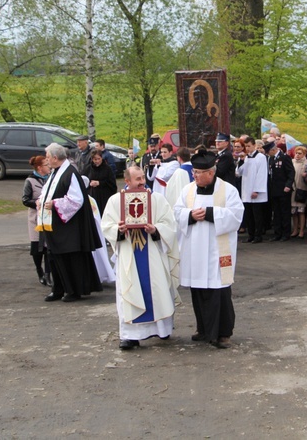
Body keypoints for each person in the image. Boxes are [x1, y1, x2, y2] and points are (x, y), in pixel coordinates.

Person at [101, 166, 180, 350]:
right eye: (137, 179)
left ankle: (162, 329)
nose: (142, 181)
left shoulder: (157, 199)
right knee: (129, 291)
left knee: (157, 289)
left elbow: (169, 223)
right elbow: (107, 225)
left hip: (152, 251)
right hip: (129, 252)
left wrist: (156, 229)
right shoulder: (115, 201)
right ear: (127, 181)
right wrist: (117, 230)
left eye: (143, 177)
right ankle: (130, 336)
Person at [174, 149, 244, 349]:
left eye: (198, 172)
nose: (194, 175)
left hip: (217, 251)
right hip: (195, 249)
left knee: (219, 291)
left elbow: (236, 215)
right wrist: (190, 215)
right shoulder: (187, 190)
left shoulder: (228, 190)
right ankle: (203, 329)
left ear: (211, 172)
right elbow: (176, 212)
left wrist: (210, 213)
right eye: (194, 172)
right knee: (199, 291)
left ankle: (223, 333)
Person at [37, 143, 103, 302]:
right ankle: (58, 288)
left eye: (47, 157)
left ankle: (73, 290)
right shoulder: (55, 173)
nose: (46, 160)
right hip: (54, 224)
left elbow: (76, 199)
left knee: (69, 258)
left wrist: (55, 204)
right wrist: (41, 200)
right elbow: (47, 191)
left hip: (68, 227)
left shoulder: (70, 173)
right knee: (54, 256)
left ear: (54, 157)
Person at [22, 155, 52, 286]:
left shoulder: (52, 178)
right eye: (46, 164)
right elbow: (25, 200)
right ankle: (39, 270)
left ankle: (48, 274)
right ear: (40, 168)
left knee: (49, 248)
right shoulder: (30, 181)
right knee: (37, 248)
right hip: (35, 219)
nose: (49, 166)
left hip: (49, 217)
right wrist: (37, 203)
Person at [236, 135, 268, 243]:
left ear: (254, 145)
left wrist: (256, 190)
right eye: (245, 146)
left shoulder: (261, 158)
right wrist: (241, 161)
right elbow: (238, 173)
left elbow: (261, 175)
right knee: (248, 214)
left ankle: (258, 235)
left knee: (257, 215)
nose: (247, 148)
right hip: (246, 190)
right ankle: (251, 235)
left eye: (249, 146)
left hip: (255, 191)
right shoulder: (245, 157)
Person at [265, 140, 295, 241]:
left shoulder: (284, 157)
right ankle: (278, 232)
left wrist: (288, 185)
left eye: (269, 152)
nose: (268, 154)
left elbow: (291, 172)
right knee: (276, 212)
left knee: (284, 212)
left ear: (273, 150)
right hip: (274, 189)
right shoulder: (271, 159)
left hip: (283, 189)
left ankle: (286, 233)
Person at [291, 145, 307, 238]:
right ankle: (295, 229)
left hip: (302, 188)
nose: (297, 155)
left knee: (301, 211)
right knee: (294, 211)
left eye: (299, 153)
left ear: (304, 154)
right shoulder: (292, 162)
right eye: (296, 153)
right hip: (293, 189)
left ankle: (301, 230)